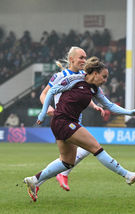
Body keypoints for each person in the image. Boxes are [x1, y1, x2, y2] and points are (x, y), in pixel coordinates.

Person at [24, 57, 135, 202]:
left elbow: (109, 105)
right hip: (63, 121)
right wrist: (42, 113)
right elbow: (51, 92)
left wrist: (129, 112)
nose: (105, 80)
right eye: (104, 76)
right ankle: (127, 175)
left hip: (64, 122)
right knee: (95, 147)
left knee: (67, 162)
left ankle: (34, 180)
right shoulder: (74, 79)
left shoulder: (95, 89)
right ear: (95, 73)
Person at [39, 47, 105, 192]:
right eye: (81, 57)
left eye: (85, 57)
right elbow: (43, 95)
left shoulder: (83, 75)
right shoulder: (59, 76)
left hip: (76, 119)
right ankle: (60, 175)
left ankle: (37, 181)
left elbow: (84, 95)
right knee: (88, 149)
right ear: (71, 59)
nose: (84, 60)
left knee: (69, 158)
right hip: (64, 120)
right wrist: (48, 107)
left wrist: (94, 105)